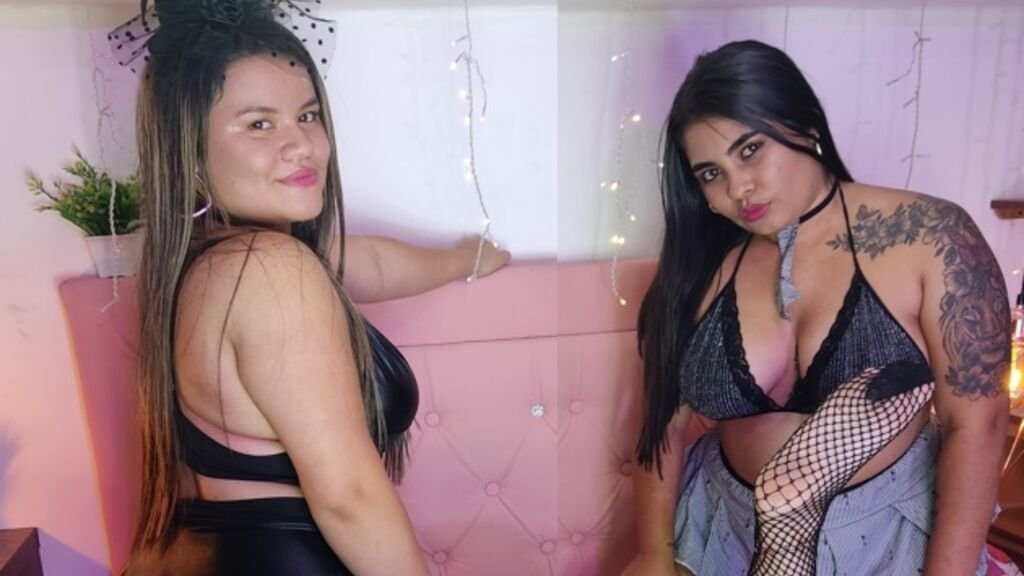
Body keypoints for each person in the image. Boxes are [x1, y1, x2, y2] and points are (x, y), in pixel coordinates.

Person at [119, 0, 508, 573]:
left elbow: (375, 265)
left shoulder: (213, 264)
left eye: (307, 116)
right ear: (191, 156)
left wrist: (467, 259)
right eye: (259, 124)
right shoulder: (269, 270)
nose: (301, 144)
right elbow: (349, 498)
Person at [623, 40, 1010, 576]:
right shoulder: (699, 270)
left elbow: (977, 424)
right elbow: (664, 427)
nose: (739, 189)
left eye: (750, 150)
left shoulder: (930, 237)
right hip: (724, 535)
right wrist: (653, 554)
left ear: (805, 127)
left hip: (889, 540)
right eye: (711, 173)